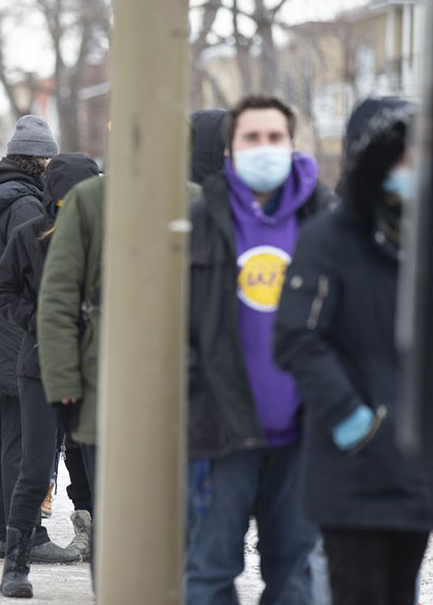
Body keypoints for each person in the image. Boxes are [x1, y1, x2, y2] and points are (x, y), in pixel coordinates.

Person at [275, 103, 433, 605]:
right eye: (407, 156)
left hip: (415, 469)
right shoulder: (329, 238)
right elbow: (298, 337)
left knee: (400, 594)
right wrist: (354, 422)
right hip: (354, 469)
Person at [185, 95, 333, 604]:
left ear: (292, 145)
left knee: (296, 578)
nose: (264, 148)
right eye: (252, 138)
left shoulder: (327, 220)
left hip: (304, 435)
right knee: (207, 574)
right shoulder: (201, 219)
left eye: (275, 138)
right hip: (218, 433)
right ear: (230, 151)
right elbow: (172, 320)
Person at [0, 115, 77, 562]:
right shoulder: (25, 204)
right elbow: (28, 273)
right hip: (12, 333)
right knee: (21, 439)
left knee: (4, 434)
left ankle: (5, 534)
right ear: (41, 158)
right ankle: (26, 536)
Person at [0, 153, 98, 596]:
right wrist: (36, 318)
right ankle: (15, 564)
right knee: (35, 467)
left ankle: (107, 572)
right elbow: (1, 289)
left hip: (95, 366)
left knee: (98, 467)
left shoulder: (107, 237)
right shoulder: (30, 235)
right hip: (39, 364)